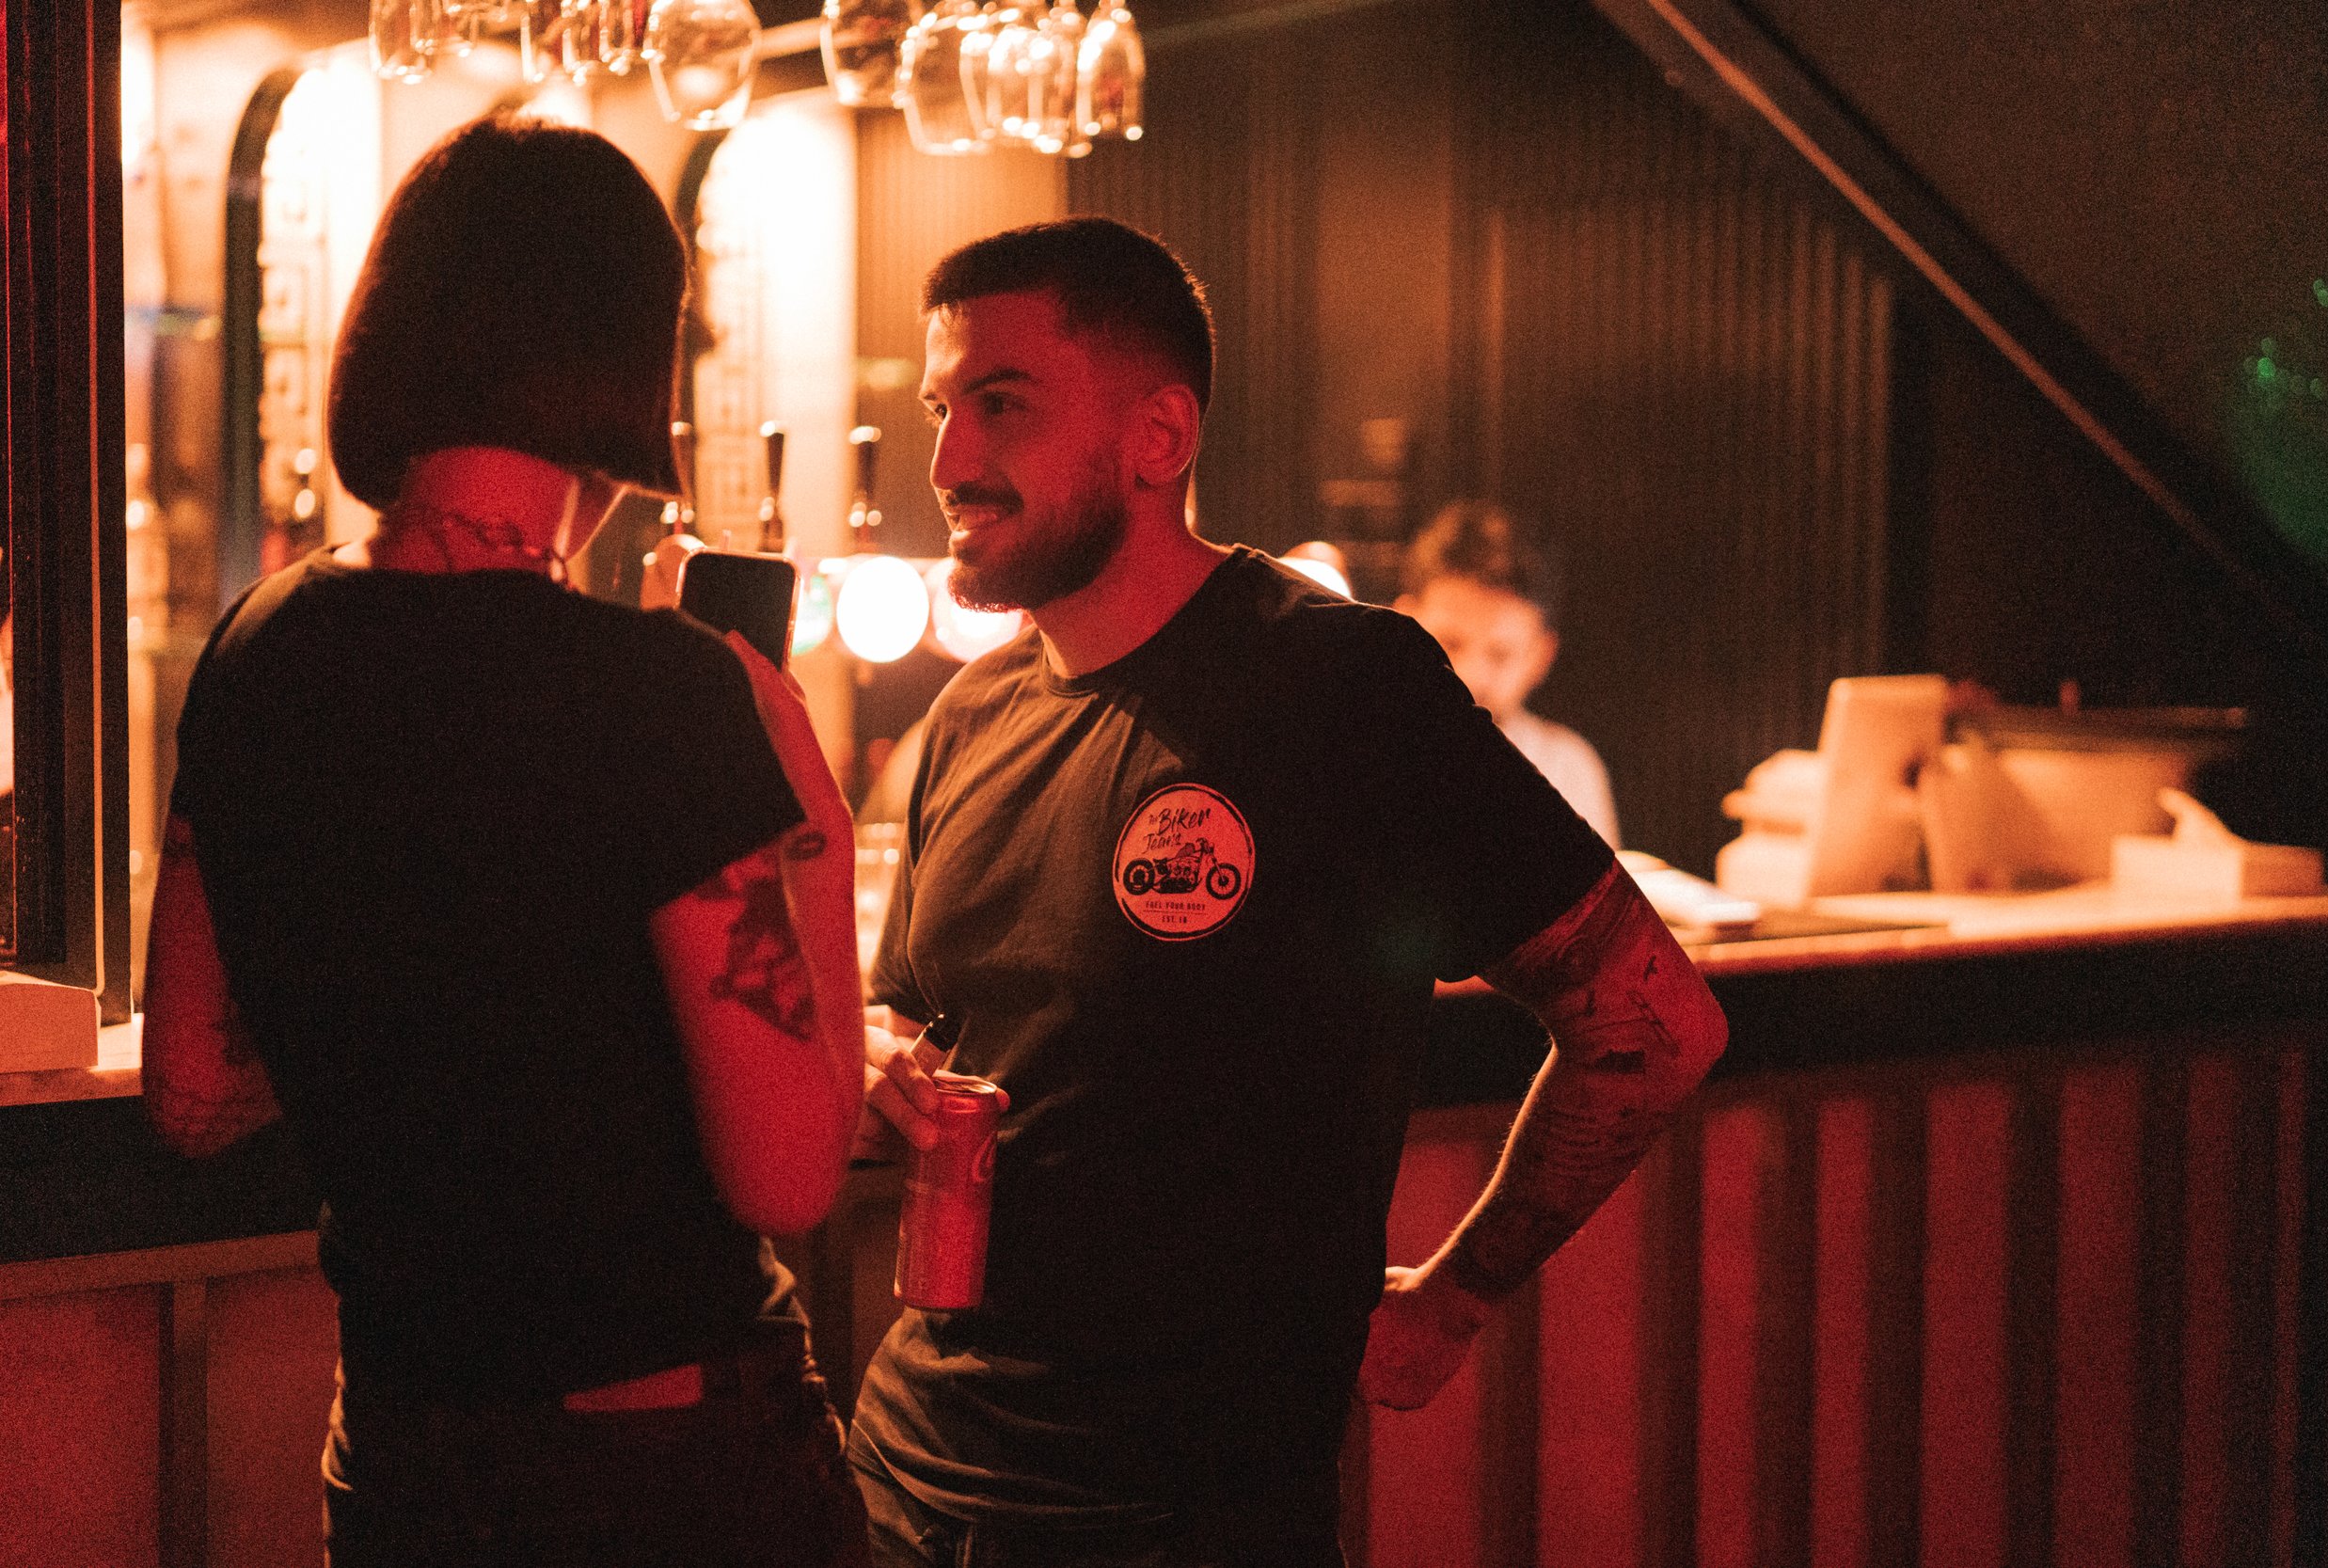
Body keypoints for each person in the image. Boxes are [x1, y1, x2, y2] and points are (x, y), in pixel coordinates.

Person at [849, 216, 1727, 1567]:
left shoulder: (1341, 688)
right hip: (898, 1474)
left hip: (1169, 1521)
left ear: (1159, 435)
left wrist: (1456, 1293)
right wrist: (871, 1067)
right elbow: (916, 1027)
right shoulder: (969, 716)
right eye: (939, 408)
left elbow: (1652, 1023)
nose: (948, 460)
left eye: (1002, 404)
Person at [141, 115, 869, 1568]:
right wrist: (820, 838)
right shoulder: (662, 692)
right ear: (627, 371)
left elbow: (195, 1088)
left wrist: (428, 1017)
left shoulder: (256, 651)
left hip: (403, 1450)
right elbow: (789, 1175)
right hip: (667, 1461)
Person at [1394, 500, 1620, 847]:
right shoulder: (1356, 748)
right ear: (1401, 625)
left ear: (1540, 657)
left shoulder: (1568, 769)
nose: (1470, 674)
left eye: (1500, 655)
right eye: (1449, 642)